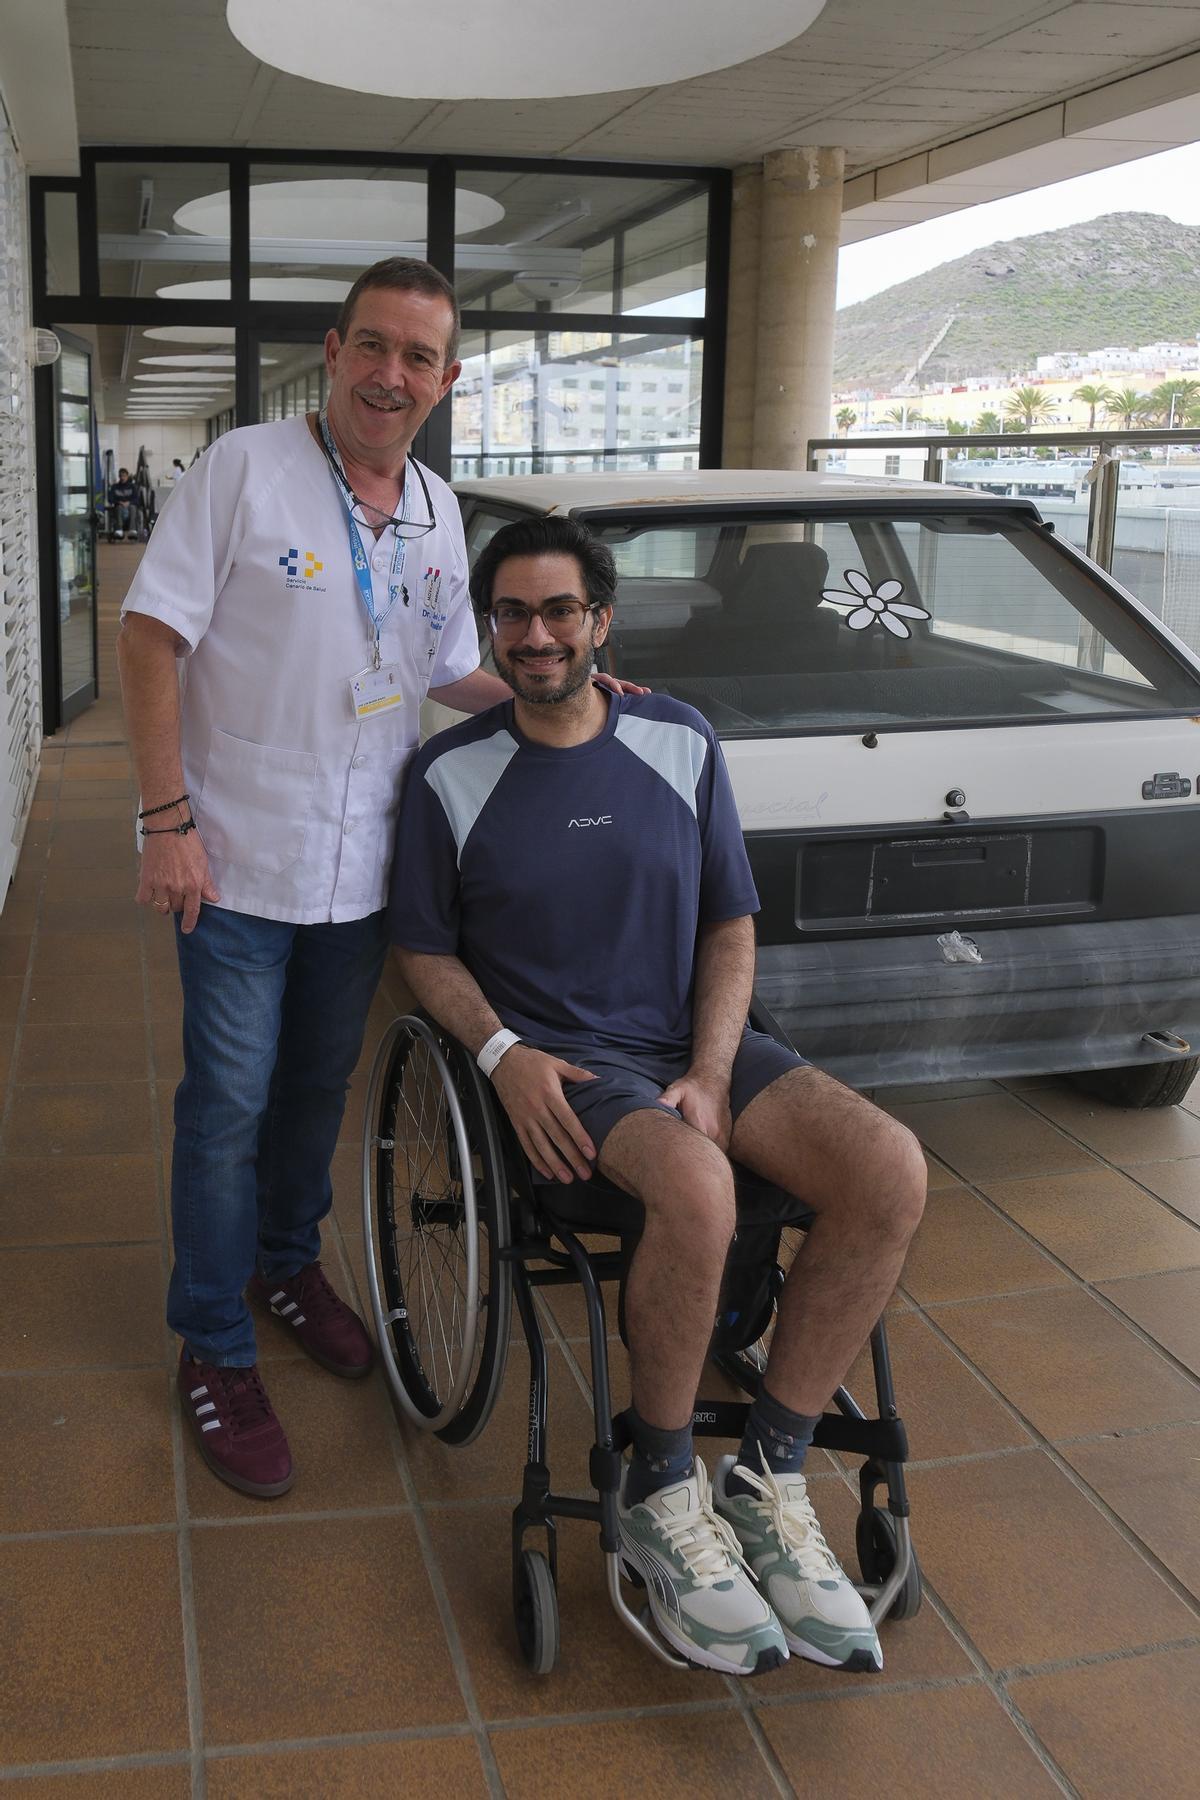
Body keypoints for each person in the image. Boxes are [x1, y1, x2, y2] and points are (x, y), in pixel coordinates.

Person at [118, 258, 641, 1501]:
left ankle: (286, 1263)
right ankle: (215, 1340)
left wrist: (571, 690)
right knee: (227, 1105)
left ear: (445, 381)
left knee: (317, 1088)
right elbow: (148, 634)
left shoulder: (437, 509)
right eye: (373, 347)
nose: (391, 376)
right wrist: (165, 817)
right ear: (335, 351)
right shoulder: (243, 468)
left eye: (418, 358)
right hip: (233, 858)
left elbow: (443, 665)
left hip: (361, 868)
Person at [389, 515, 927, 1678]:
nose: (537, 636)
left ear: (601, 621)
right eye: (513, 614)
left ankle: (770, 1476)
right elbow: (423, 950)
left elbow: (730, 921)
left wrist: (714, 1070)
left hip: (693, 1043)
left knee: (888, 1168)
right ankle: (662, 1492)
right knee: (696, 1185)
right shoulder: (448, 773)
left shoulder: (680, 738)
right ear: (491, 628)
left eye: (560, 611)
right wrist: (501, 1054)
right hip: (566, 1069)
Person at [108, 467, 135, 539]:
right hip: (119, 506)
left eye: (124, 476)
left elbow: (136, 499)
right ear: (119, 477)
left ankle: (132, 530)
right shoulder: (114, 487)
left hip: (130, 506)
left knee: (133, 508)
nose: (122, 478)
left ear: (127, 476)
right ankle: (119, 529)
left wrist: (129, 502)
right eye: (121, 476)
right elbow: (110, 499)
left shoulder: (132, 487)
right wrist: (119, 502)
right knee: (119, 508)